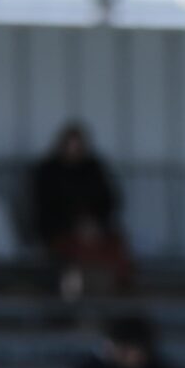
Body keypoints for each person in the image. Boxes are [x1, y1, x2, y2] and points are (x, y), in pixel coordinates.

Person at [31, 123, 136, 297]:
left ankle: (115, 293)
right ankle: (79, 297)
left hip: (96, 231)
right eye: (70, 145)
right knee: (78, 259)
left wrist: (94, 224)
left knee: (115, 250)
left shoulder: (93, 168)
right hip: (60, 231)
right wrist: (74, 225)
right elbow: (45, 208)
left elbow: (108, 201)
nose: (73, 150)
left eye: (77, 145)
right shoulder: (48, 171)